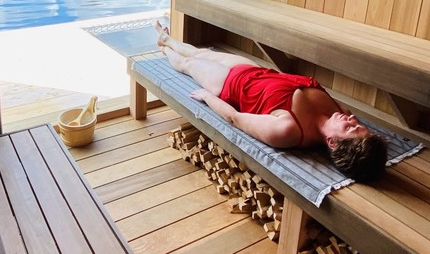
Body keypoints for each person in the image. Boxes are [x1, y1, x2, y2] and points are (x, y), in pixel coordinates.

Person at [155, 22, 387, 182]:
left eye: (349, 128)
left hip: (227, 85)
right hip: (254, 71)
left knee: (188, 64)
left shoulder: (287, 130)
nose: (351, 118)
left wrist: (207, 97)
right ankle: (166, 38)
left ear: (333, 143)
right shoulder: (339, 110)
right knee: (200, 53)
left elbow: (235, 118)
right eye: (358, 124)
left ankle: (164, 50)